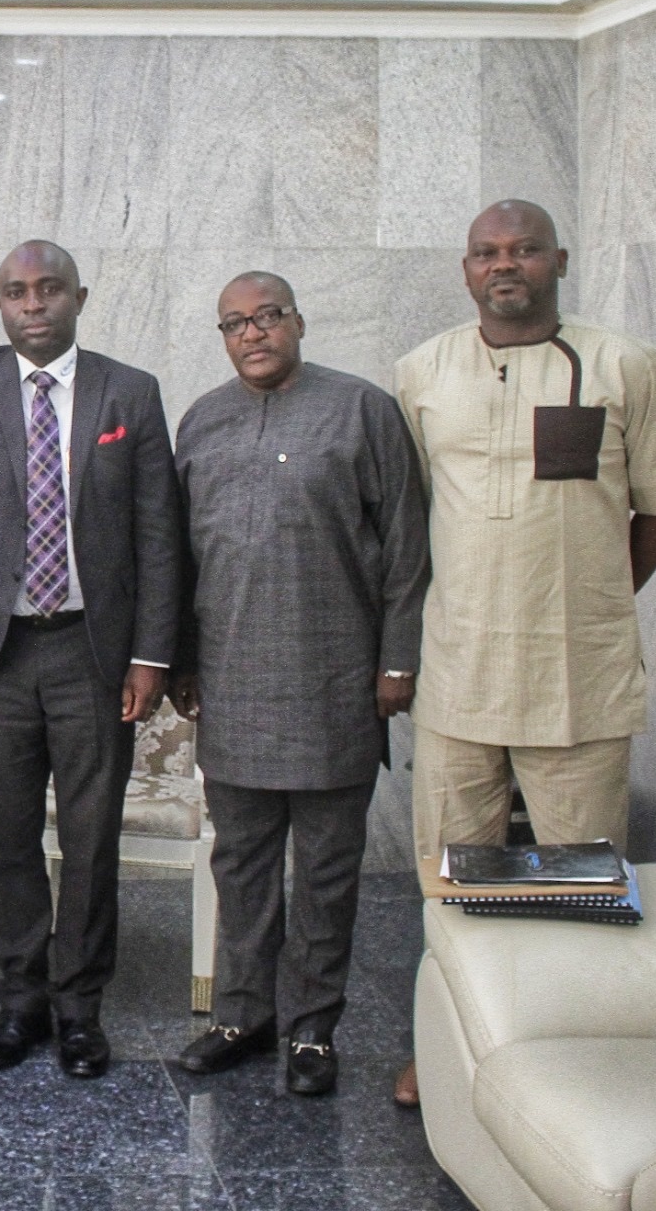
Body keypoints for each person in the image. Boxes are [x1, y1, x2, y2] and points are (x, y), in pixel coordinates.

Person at [392, 199, 656, 1106]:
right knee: (454, 874)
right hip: (459, 667)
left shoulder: (628, 367)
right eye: (486, 252)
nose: (503, 264)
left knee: (581, 877)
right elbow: (409, 519)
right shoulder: (422, 372)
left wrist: (591, 599)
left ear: (560, 259)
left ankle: (583, 1062)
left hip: (574, 672)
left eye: (523, 250)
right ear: (466, 268)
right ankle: (452, 1051)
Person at [0, 241, 182, 1079]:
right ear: (0, 305)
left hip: (92, 654)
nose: (33, 304)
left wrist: (151, 657)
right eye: (15, 292)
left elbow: (158, 536)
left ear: (79, 296)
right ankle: (20, 1003)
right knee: (9, 835)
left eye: (49, 289)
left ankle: (79, 1009)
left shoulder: (128, 393)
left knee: (93, 837)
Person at [170, 273, 429, 1097]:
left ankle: (313, 1029)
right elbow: (175, 556)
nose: (253, 333)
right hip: (233, 681)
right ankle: (243, 1016)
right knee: (240, 863)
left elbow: (406, 546)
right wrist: (179, 661)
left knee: (324, 870)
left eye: (268, 316)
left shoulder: (361, 410)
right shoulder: (202, 420)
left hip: (336, 682)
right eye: (235, 323)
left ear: (298, 322)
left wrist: (397, 662)